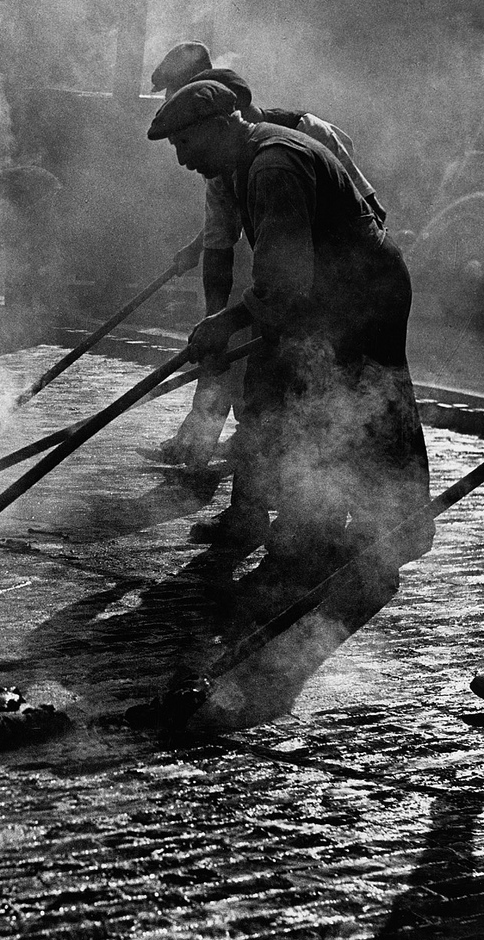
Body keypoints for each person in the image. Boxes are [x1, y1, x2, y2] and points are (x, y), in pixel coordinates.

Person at [147, 80, 433, 602]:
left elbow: (285, 280)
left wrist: (225, 324)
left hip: (363, 292)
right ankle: (306, 527)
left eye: (184, 145)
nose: (182, 160)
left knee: (361, 404)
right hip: (328, 294)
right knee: (286, 398)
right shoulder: (247, 162)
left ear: (216, 127)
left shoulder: (273, 165)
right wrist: (230, 322)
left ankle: (384, 528)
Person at [148, 42, 387, 482]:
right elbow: (221, 244)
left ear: (224, 119)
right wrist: (216, 319)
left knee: (334, 400)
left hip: (345, 284)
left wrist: (288, 303)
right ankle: (214, 453)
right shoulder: (221, 166)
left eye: (188, 139)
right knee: (260, 384)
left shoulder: (298, 141)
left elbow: (370, 216)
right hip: (276, 273)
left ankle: (338, 515)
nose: (184, 159)